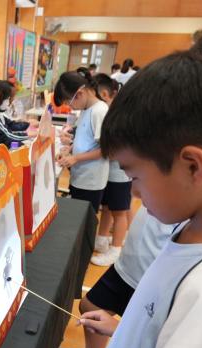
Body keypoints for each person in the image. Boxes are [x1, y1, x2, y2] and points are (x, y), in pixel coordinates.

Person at [55, 31, 202, 348]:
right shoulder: (198, 229)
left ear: (192, 166)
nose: (134, 192)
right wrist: (129, 334)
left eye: (136, 176)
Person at [90, 74, 130, 267]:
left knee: (119, 212)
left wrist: (102, 151)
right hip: (110, 172)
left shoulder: (121, 115)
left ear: (105, 94)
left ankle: (115, 250)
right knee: (107, 208)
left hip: (120, 173)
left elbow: (119, 148)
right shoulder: (112, 112)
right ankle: (102, 239)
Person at [55, 70, 109, 212]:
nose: (70, 107)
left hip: (91, 182)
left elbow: (106, 150)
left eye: (69, 102)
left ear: (79, 94)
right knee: (76, 215)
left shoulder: (99, 111)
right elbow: (87, 139)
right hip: (80, 177)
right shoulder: (86, 109)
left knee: (84, 218)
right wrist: (71, 148)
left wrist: (76, 158)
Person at [0, 79, 30, 147]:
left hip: (6, 145)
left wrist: (28, 124)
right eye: (7, 98)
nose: (9, 101)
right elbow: (7, 136)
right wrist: (27, 135)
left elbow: (11, 125)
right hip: (1, 148)